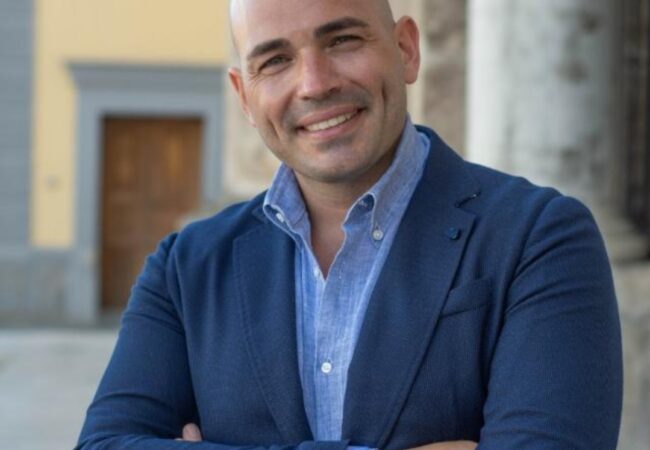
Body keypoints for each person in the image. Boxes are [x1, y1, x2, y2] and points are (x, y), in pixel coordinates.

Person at [76, 0, 623, 449]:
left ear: (406, 50)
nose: (314, 84)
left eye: (342, 40)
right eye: (274, 61)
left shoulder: (540, 237)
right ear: (244, 96)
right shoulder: (185, 266)